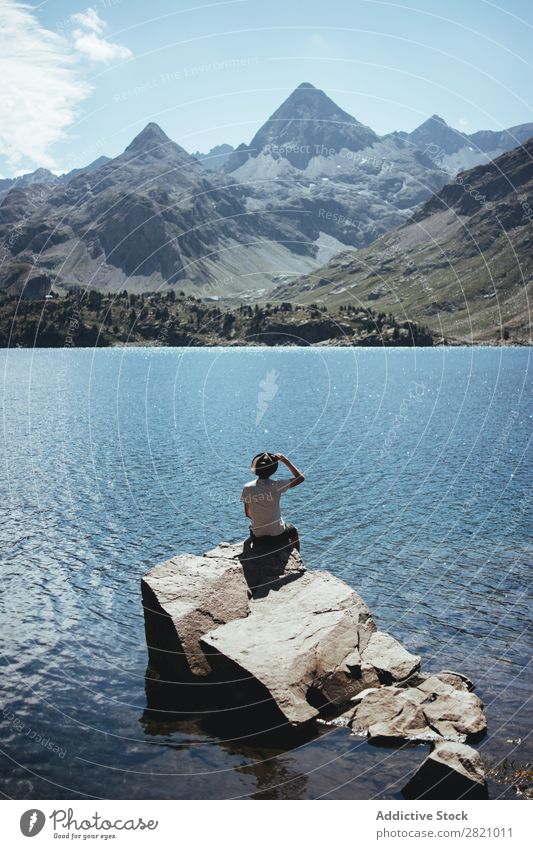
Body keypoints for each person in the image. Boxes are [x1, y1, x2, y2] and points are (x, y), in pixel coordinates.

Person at [240, 451, 304, 552]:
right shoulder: (277, 485)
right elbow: (300, 478)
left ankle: (251, 545)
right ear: (273, 470)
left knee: (252, 525)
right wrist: (285, 461)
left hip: (258, 535)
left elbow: (248, 514)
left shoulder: (247, 487)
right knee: (293, 530)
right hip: (277, 534)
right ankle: (298, 558)